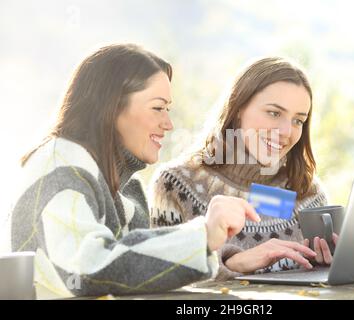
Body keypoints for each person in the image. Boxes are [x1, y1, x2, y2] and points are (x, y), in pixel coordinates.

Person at [9, 44, 260, 299]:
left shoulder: (124, 187)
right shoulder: (60, 167)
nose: (168, 124)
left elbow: (136, 275)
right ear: (112, 107)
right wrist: (203, 235)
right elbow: (88, 269)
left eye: (168, 109)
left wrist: (221, 253)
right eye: (157, 108)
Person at [150, 56, 336, 281]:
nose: (286, 131)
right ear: (238, 108)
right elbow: (158, 277)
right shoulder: (175, 184)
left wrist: (330, 264)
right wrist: (233, 263)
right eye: (274, 113)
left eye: (298, 120)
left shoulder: (308, 193)